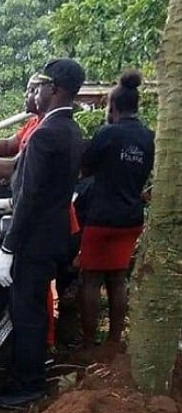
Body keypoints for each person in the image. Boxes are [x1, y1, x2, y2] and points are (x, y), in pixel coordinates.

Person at [0, 58, 85, 408]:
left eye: (39, 86)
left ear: (55, 89)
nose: (34, 92)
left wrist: (9, 248)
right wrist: (7, 203)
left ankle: (26, 387)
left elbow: (30, 197)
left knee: (27, 313)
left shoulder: (46, 134)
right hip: (51, 235)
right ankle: (29, 378)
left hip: (35, 240)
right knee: (33, 311)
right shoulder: (69, 130)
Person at [79, 70, 155, 350]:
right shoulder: (149, 137)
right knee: (118, 278)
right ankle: (113, 342)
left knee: (91, 278)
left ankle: (88, 343)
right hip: (131, 217)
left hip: (101, 217)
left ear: (114, 107)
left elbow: (85, 168)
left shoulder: (107, 133)